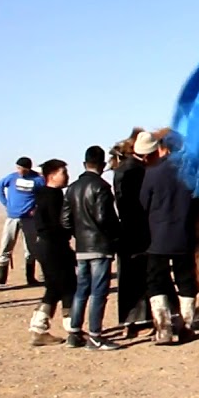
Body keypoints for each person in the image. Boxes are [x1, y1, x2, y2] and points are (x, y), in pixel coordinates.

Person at [138, 131, 199, 345]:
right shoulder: (191, 172)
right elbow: (198, 202)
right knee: (186, 280)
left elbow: (143, 204)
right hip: (184, 235)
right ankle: (188, 325)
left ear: (163, 148)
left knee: (155, 281)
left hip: (158, 238)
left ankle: (163, 327)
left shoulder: (153, 173)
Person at [63, 146, 123, 351]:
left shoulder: (72, 188)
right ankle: (95, 336)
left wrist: (78, 234)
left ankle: (74, 332)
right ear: (103, 164)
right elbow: (103, 218)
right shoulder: (102, 187)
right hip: (100, 246)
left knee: (81, 290)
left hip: (82, 247)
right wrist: (116, 236)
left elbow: (65, 220)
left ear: (84, 163)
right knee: (98, 292)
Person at [26, 159, 79, 347]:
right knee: (65, 286)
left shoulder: (45, 195)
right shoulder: (53, 197)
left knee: (56, 287)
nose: (67, 175)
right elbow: (58, 225)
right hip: (53, 246)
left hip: (49, 246)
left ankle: (40, 328)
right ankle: (72, 329)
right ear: (52, 175)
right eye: (63, 172)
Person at [112, 129, 152, 338]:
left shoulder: (120, 170)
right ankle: (143, 320)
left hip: (125, 229)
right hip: (140, 229)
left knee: (127, 277)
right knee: (143, 275)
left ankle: (128, 321)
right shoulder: (139, 171)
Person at [0, 157, 44, 286]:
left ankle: (30, 277)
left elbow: (44, 195)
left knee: (31, 248)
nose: (20, 171)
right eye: (18, 168)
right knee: (6, 245)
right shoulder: (11, 178)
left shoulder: (37, 180)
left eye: (23, 169)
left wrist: (36, 208)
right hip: (12, 218)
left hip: (29, 219)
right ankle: (1, 276)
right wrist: (6, 203)